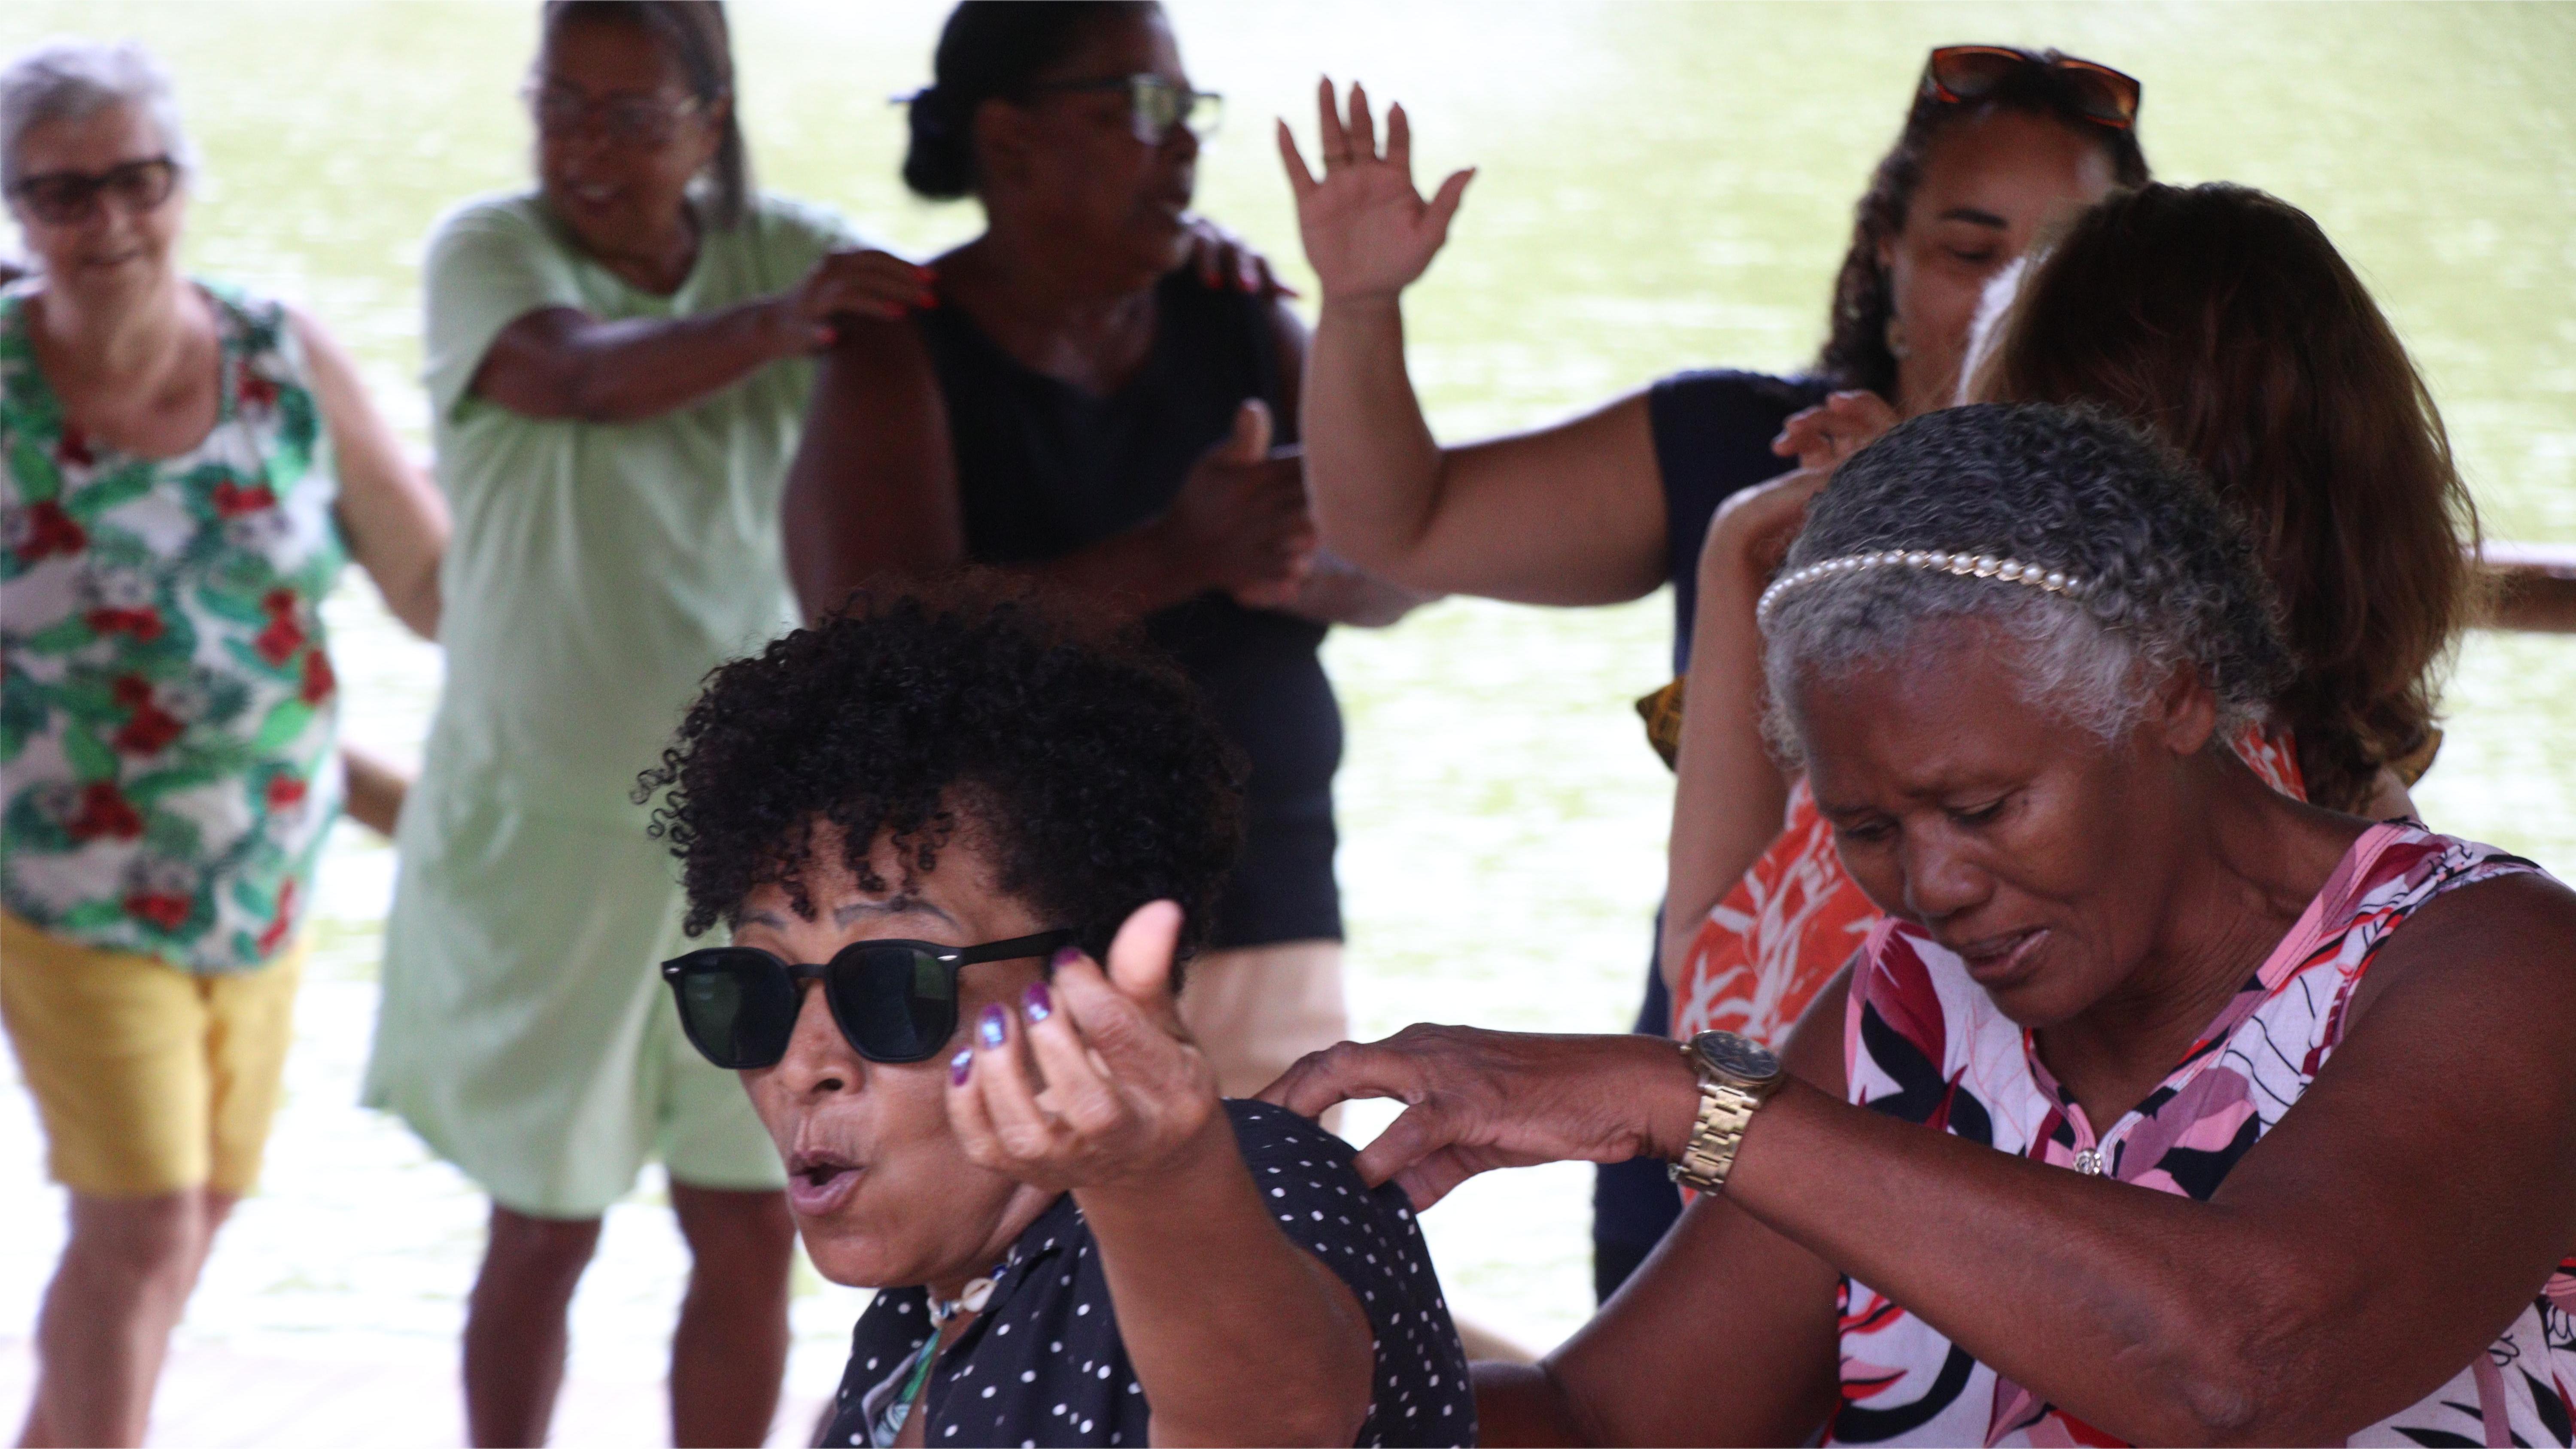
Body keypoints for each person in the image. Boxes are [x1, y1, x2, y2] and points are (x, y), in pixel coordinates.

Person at [1267, 402, 2576, 1446]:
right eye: (1871, 832)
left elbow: (2247, 1370)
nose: (1934, 887)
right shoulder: (1911, 1012)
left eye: (1987, 805)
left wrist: (1695, 1098)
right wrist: (1216, 1345)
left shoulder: (2491, 959)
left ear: (2176, 698)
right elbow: (1610, 1422)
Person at [1279, 46, 2147, 1298]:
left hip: (2021, 1180)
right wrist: (1359, 305)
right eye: (1971, 251)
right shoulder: (1748, 464)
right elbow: (1392, 523)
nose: (2011, 295)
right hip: (1701, 1124)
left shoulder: (2151, 542)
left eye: (2055, 263)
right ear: (1887, 261)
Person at [358, 5, 932, 1443]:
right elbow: (582, 374)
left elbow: (956, 321)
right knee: (542, 1226)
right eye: (562, 104)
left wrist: (1199, 273)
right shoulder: (487, 252)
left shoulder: (789, 249)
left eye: (631, 114)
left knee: (748, 1220)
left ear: (712, 117)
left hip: (750, 850)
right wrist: (786, 323)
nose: (586, 146)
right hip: (543, 837)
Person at [635, 579, 1473, 1447]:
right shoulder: (921, 1311)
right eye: (756, 990)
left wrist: (1160, 1173)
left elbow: (1278, 1420)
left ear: (1093, 989)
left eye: (891, 987)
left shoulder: (1260, 1179)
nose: (804, 1064)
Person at [1663, 181, 2482, 1067]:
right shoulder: (2402, 871)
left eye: (1995, 435)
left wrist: (1756, 551)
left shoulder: (2027, 809)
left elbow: (1720, 1015)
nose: (1937, 882)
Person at [784, 0, 1428, 1117]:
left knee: (1277, 1265)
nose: (1182, 142)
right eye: (1140, 105)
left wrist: (1303, 557)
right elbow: (880, 647)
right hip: (1008, 949)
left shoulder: (1245, 322)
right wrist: (1181, 552)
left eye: (1188, 108)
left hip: (1264, 913)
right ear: (1009, 136)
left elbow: (1411, 560)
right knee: (1039, 1285)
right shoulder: (898, 355)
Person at [0, 38, 447, 1448]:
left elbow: (431, 585)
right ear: (16, 209)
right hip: (62, 884)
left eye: (138, 180)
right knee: (134, 1216)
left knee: (194, 1208)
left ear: (181, 182)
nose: (109, 222)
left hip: (265, 869)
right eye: (63, 194)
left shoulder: (274, 348)